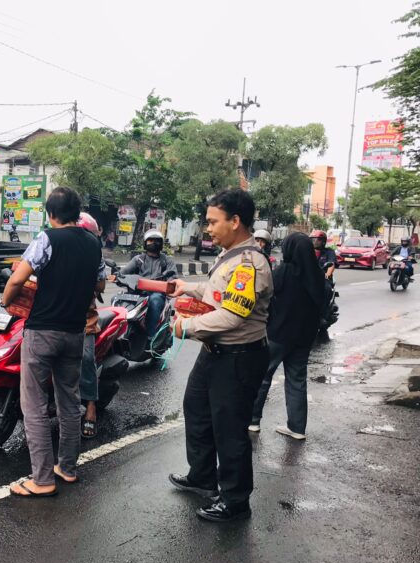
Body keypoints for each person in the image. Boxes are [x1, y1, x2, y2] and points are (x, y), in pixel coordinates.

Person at [168, 188, 273, 522]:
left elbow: (231, 316)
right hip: (215, 354)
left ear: (236, 221)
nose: (207, 228)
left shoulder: (248, 263)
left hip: (238, 357)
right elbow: (218, 293)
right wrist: (192, 288)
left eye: (213, 222)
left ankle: (235, 501)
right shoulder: (229, 254)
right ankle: (202, 476)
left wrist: (187, 327)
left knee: (229, 429)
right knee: (196, 409)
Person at [1, 187, 103, 497]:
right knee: (69, 403)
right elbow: (99, 283)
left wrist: (6, 301)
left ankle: (42, 479)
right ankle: (67, 469)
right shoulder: (94, 244)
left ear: (50, 214)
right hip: (75, 332)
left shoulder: (47, 238)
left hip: (43, 331)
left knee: (33, 404)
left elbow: (19, 277)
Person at [249, 233, 326, 440]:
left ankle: (253, 420)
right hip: (305, 338)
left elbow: (267, 298)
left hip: (278, 335)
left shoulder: (284, 271)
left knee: (263, 375)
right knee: (297, 379)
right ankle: (297, 427)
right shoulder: (317, 275)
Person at [76, 212, 106, 439]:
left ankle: (91, 407)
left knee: (86, 358)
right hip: (53, 315)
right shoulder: (53, 246)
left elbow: (101, 284)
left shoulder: (96, 255)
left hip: (83, 317)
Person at [119, 229, 178, 341]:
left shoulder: (167, 261)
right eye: (150, 240)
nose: (154, 243)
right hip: (138, 293)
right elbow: (123, 273)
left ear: (161, 244)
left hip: (157, 293)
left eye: (157, 241)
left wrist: (169, 283)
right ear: (145, 243)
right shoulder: (138, 260)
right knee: (118, 299)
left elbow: (173, 278)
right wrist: (117, 276)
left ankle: (151, 337)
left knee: (155, 300)